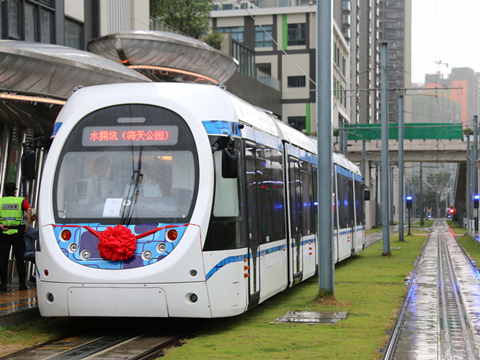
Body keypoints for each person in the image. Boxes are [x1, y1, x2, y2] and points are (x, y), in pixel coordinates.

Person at [0, 182, 32, 291]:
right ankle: (22, 284)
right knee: (19, 259)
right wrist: (27, 224)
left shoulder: (0, 201)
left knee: (3, 259)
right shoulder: (20, 200)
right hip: (17, 233)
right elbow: (29, 209)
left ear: (4, 191)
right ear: (15, 191)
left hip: (4, 233)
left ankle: (3, 284)